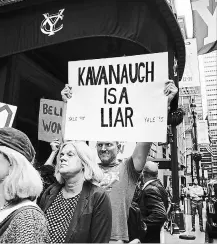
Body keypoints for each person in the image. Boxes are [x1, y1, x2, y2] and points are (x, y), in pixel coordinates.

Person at [61, 79, 178, 242]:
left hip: (114, 239)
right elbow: (68, 143)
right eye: (100, 145)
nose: (103, 149)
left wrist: (163, 103)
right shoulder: (88, 168)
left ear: (119, 147)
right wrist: (68, 105)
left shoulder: (128, 168)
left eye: (108, 144)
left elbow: (145, 140)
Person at [39, 141, 112, 243]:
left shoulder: (98, 196)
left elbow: (100, 241)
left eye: (70, 155)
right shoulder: (50, 191)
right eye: (61, 155)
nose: (62, 158)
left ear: (84, 162)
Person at [135, 161, 168, 243]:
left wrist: (140, 227)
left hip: (148, 238)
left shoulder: (150, 189)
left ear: (143, 173)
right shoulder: (159, 185)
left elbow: (160, 215)